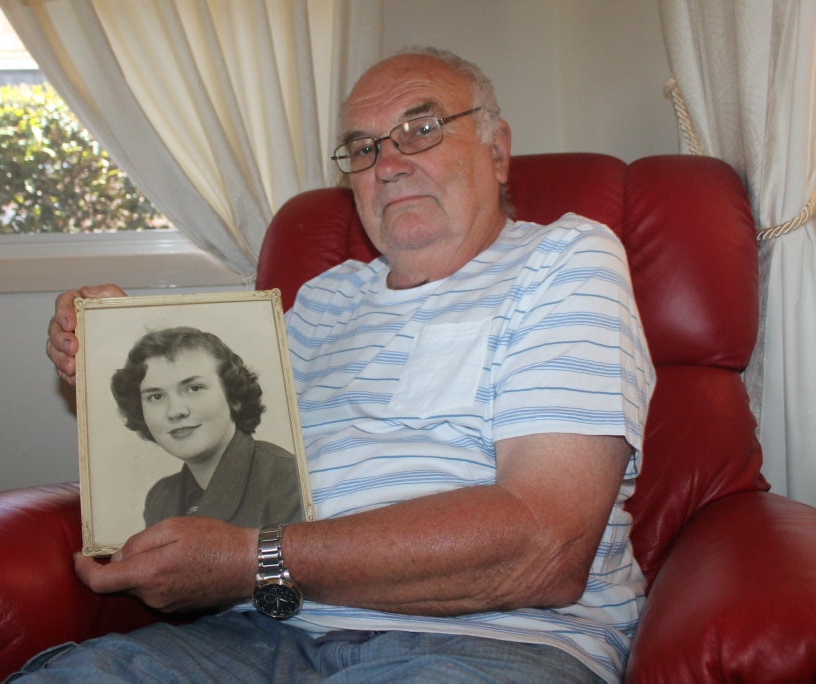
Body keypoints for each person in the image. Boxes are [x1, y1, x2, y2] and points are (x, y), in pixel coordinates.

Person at [32, 46, 654, 683]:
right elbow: (230, 445)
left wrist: (252, 560)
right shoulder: (325, 301)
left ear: (497, 151)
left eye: (420, 130)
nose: (387, 165)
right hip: (262, 634)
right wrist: (107, 342)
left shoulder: (565, 260)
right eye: (363, 148)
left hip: (493, 642)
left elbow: (546, 546)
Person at [110, 326, 304, 527]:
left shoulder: (287, 481)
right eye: (156, 396)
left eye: (194, 388)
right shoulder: (160, 498)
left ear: (233, 395)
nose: (175, 411)